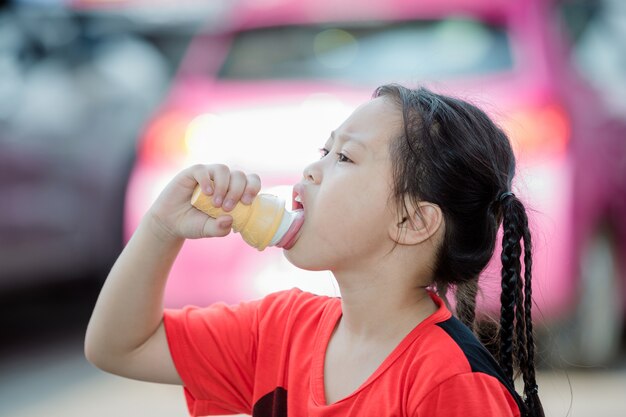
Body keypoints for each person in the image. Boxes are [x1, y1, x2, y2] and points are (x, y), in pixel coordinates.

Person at [85, 84, 545, 417]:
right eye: (323, 151)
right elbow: (120, 347)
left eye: (344, 158)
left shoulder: (449, 384)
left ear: (412, 221)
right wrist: (163, 227)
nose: (312, 170)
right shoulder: (278, 332)